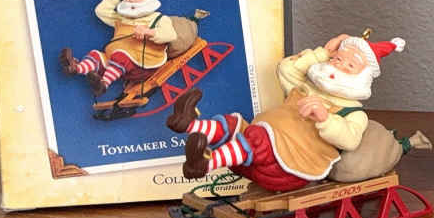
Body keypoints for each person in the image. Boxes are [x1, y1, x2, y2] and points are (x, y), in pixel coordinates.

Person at [166, 33, 406, 192]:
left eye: (350, 65)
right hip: (254, 154)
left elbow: (350, 140)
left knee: (256, 137)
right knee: (233, 124)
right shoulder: (307, 86)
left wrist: (325, 118)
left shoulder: (352, 111)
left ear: (362, 78)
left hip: (289, 166)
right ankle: (188, 124)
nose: (339, 64)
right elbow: (286, 68)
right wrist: (324, 52)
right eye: (337, 59)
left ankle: (205, 164)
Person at [59, 0, 178, 94]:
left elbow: (170, 35)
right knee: (96, 55)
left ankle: (104, 83)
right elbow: (101, 11)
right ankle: (76, 68)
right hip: (119, 65)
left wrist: (148, 32)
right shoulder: (122, 19)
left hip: (144, 65)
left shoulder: (158, 18)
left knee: (120, 56)